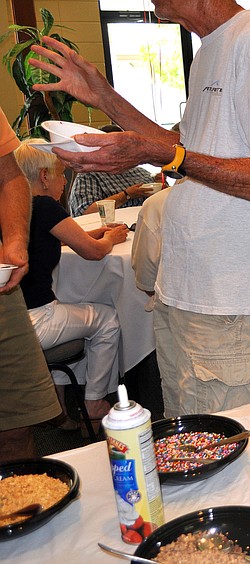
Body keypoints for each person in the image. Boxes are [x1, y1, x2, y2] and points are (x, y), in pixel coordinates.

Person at [31, 0, 250, 417]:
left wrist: (166, 156)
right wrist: (104, 97)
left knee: (220, 452)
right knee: (188, 436)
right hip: (188, 291)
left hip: (228, 301)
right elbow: (182, 145)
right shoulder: (210, 49)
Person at [14, 139, 127, 428]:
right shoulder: (44, 205)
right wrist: (111, 238)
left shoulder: (17, 208)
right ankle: (94, 401)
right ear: (44, 176)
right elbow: (94, 252)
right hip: (37, 319)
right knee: (107, 319)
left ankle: (59, 406)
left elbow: (57, 237)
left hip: (16, 319)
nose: (64, 181)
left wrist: (99, 232)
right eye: (61, 173)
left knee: (74, 315)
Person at [0, 110, 62, 462]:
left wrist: (15, 241)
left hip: (4, 294)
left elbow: (8, 178)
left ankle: (22, 512)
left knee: (18, 424)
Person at [67, 124, 158, 217]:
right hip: (111, 227)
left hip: (147, 223)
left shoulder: (140, 172)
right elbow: (85, 212)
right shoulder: (89, 175)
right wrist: (126, 195)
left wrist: (162, 184)